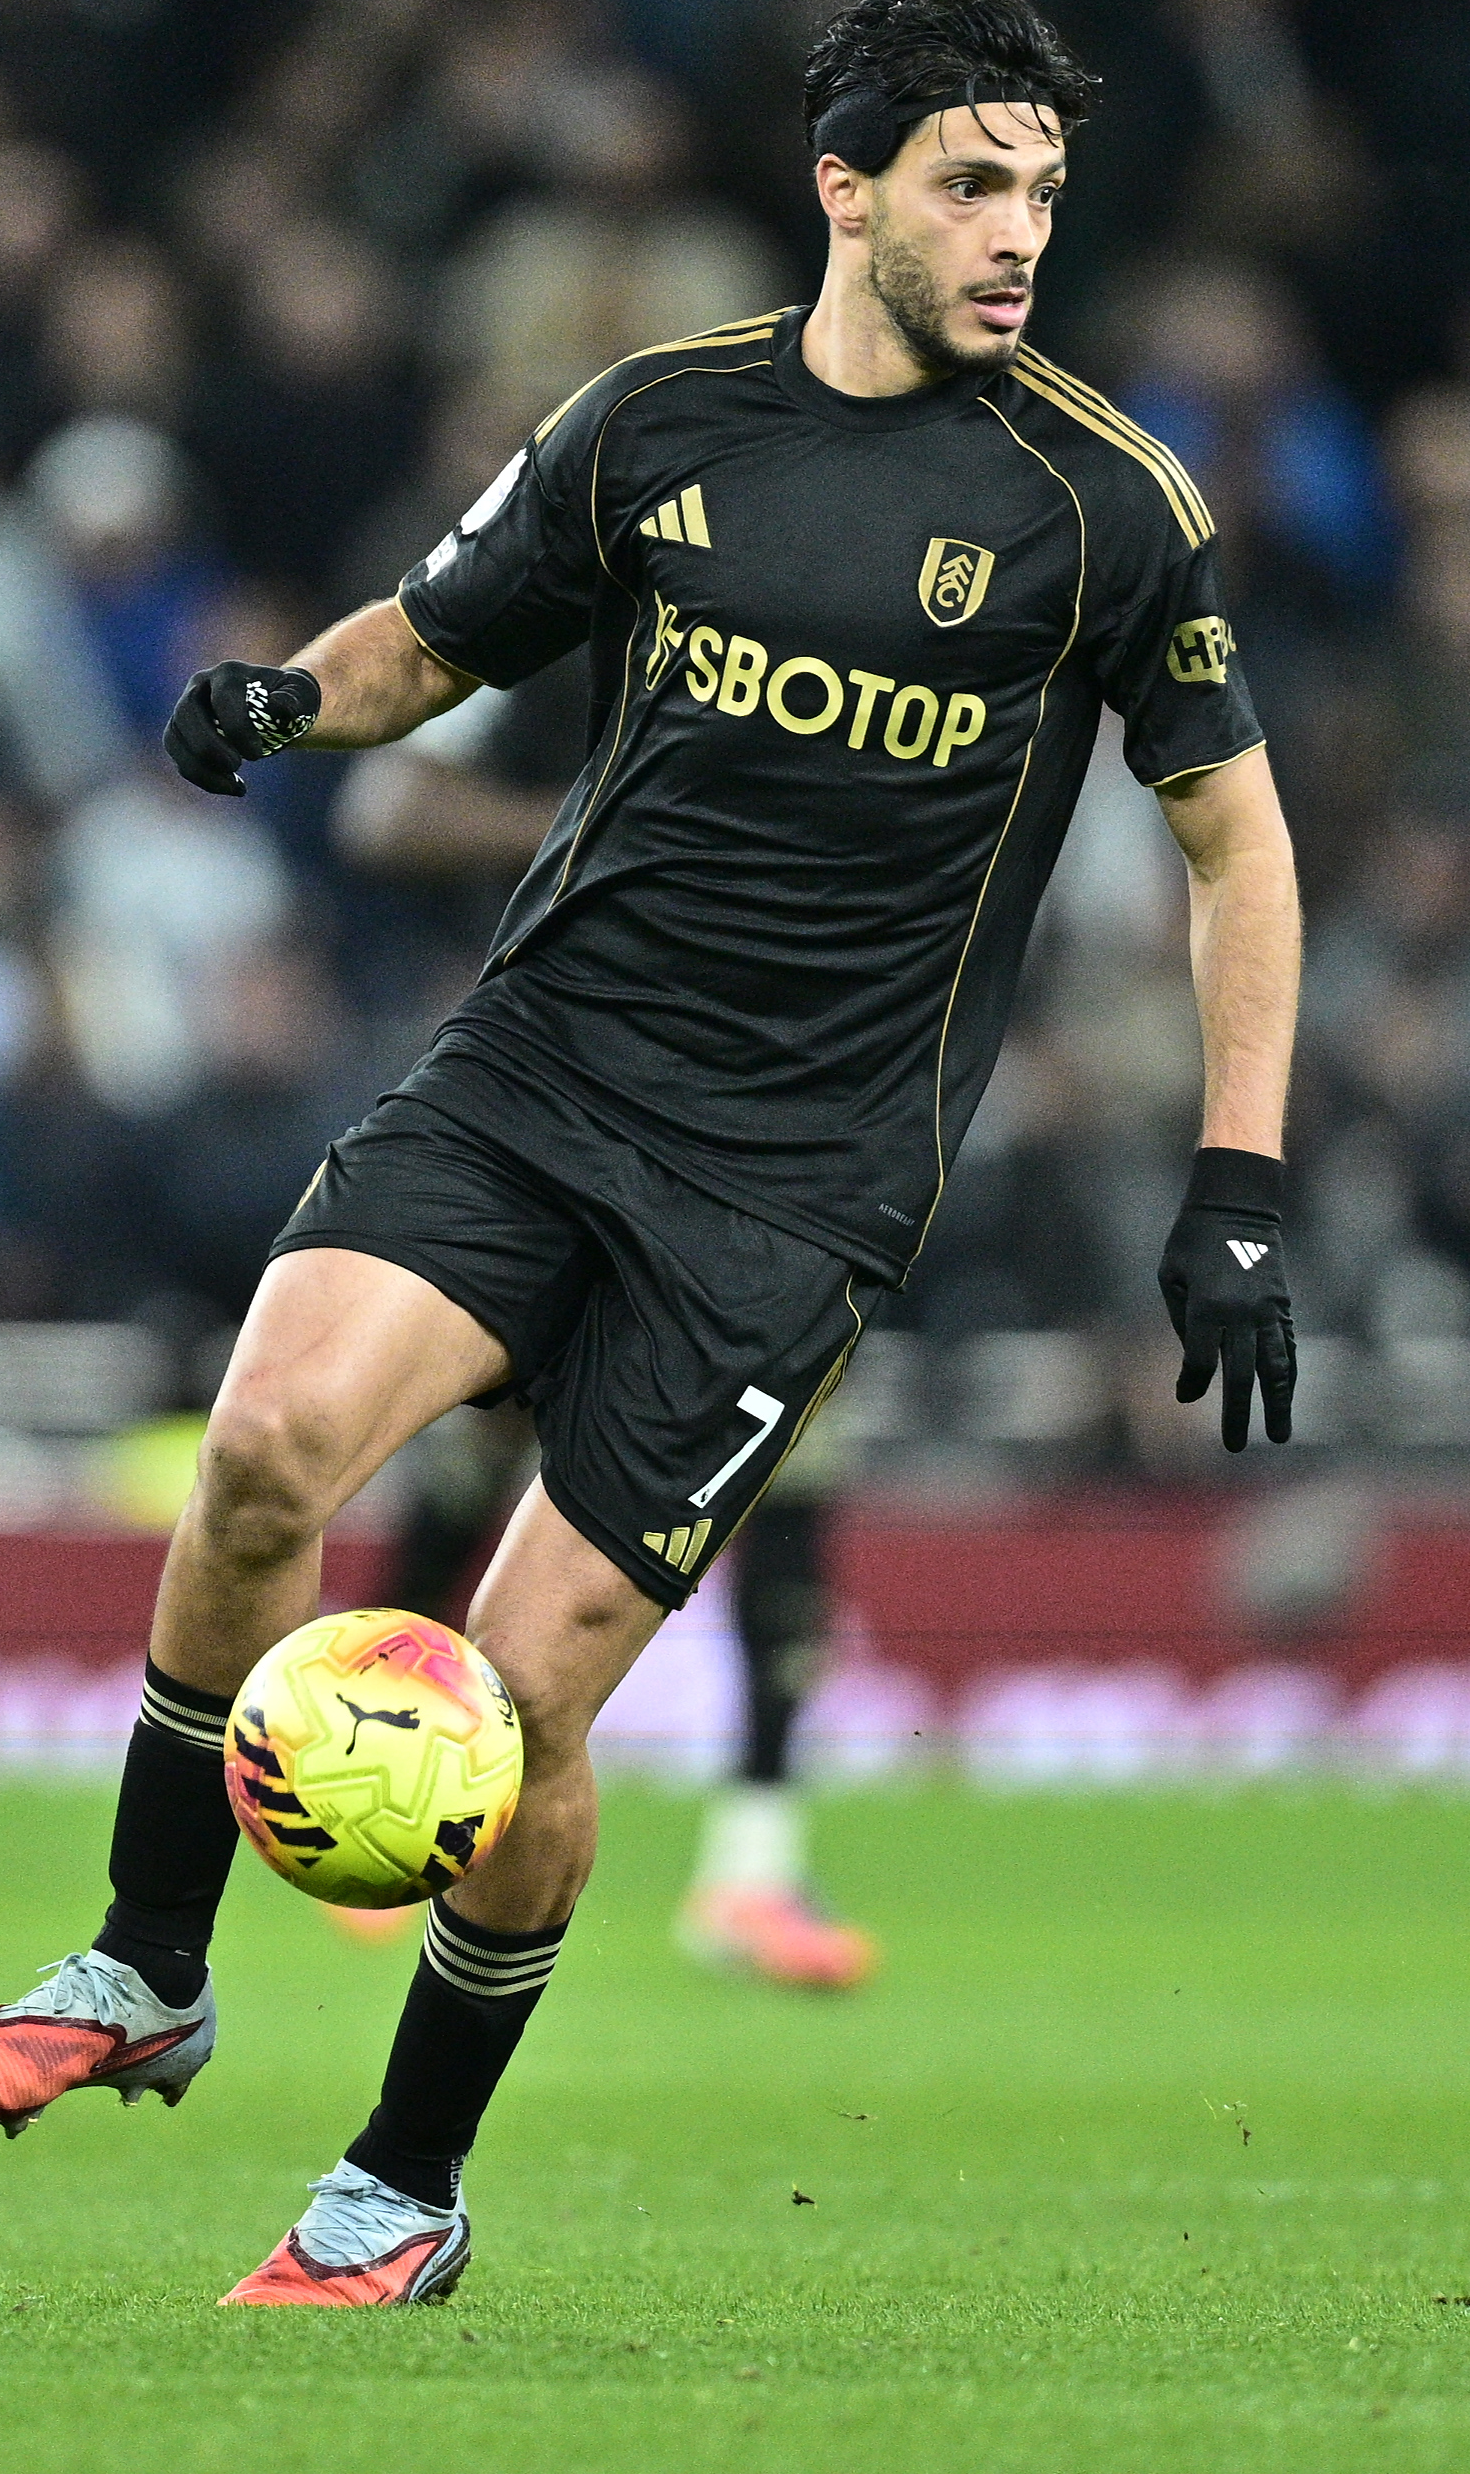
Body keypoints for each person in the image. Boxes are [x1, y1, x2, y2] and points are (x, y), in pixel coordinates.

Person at [0, 0, 1302, 2306]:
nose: (1017, 230)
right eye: (972, 181)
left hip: (790, 1193)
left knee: (516, 1696)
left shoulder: (1105, 509)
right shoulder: (656, 426)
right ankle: (145, 1962)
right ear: (841, 190)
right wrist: (284, 700)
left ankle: (399, 2192)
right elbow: (438, 641)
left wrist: (1236, 1186)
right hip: (539, 1076)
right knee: (260, 1458)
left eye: (1042, 189)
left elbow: (1237, 854)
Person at [333, 658, 874, 1993]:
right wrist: (597, 821)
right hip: (550, 1101)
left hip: (760, 1122)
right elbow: (379, 813)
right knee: (482, 1454)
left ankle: (754, 1865)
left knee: (795, 1459)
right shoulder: (553, 636)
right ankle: (361, 1789)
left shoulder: (808, 645)